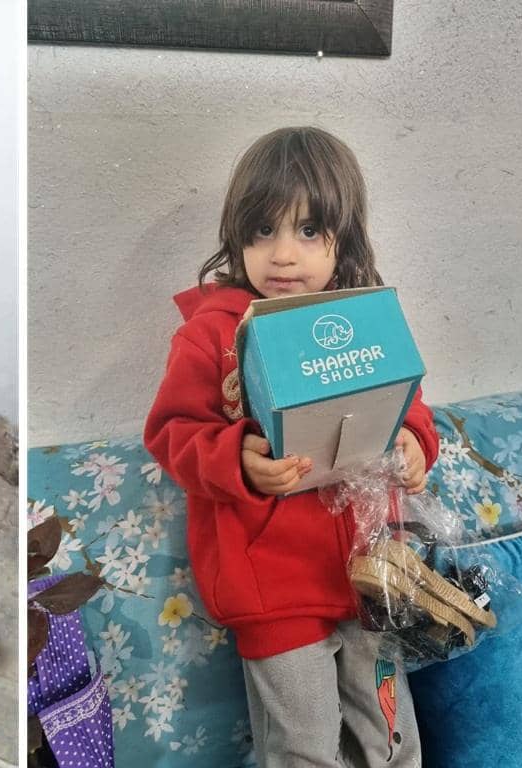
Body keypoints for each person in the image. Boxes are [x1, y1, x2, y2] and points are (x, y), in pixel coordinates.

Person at [144, 127, 439, 767]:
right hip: (271, 586)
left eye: (309, 232)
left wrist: (416, 442)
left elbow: (408, 402)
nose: (283, 254)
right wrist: (235, 458)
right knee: (303, 748)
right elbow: (172, 433)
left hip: (372, 575)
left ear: (344, 238)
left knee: (390, 738)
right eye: (262, 232)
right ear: (237, 237)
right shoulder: (210, 337)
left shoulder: (366, 319)